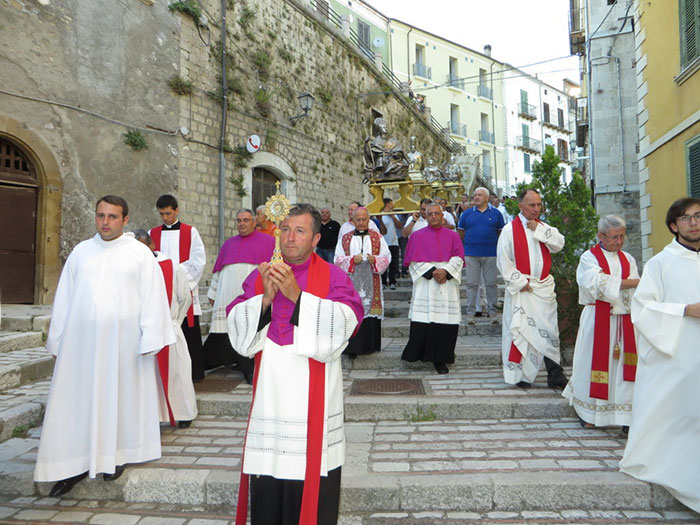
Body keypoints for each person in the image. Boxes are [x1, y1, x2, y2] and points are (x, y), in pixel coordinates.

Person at [226, 203, 363, 525]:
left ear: (316, 239)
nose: (290, 237)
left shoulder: (333, 276)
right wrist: (265, 299)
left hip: (310, 388)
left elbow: (348, 321)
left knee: (311, 474)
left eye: (299, 231)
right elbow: (236, 326)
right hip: (270, 391)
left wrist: (298, 295)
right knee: (269, 478)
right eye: (285, 230)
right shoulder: (260, 275)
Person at [34, 196, 175, 497]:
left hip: (123, 345)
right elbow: (65, 297)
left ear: (125, 220)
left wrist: (151, 337)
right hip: (81, 346)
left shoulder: (139, 253)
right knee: (77, 402)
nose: (105, 222)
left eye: (112, 216)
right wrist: (57, 337)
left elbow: (153, 296)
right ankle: (71, 464)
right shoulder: (81, 252)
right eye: (101, 216)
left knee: (119, 398)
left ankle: (115, 456)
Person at [619, 197, 700, 513]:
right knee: (681, 415)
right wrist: (684, 310)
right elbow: (642, 308)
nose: (694, 222)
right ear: (673, 226)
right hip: (677, 355)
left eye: (698, 216)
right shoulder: (660, 264)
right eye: (686, 218)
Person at [562, 216, 639, 429]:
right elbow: (596, 284)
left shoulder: (628, 259)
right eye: (614, 237)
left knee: (624, 367)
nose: (619, 241)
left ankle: (625, 416)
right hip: (597, 319)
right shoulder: (589, 258)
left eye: (622, 236)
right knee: (591, 363)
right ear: (601, 236)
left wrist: (622, 284)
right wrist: (629, 283)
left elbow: (632, 289)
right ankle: (590, 413)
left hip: (624, 321)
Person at [496, 188, 568, 389]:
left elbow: (558, 244)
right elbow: (504, 261)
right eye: (531, 205)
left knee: (549, 331)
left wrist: (539, 230)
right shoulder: (510, 230)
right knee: (522, 330)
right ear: (520, 206)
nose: (536, 209)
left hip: (544, 287)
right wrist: (520, 282)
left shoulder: (544, 228)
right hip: (524, 289)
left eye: (538, 205)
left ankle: (555, 374)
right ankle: (521, 375)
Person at [134, 229, 199, 429]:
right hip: (140, 331)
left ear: (152, 246)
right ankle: (149, 415)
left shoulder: (171, 267)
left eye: (144, 247)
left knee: (177, 372)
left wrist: (174, 322)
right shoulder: (132, 267)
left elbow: (185, 297)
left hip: (169, 328)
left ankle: (184, 412)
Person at [203, 209, 274, 384]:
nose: (242, 224)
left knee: (248, 327)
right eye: (239, 220)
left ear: (253, 222)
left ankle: (249, 369)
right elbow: (219, 271)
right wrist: (213, 292)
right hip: (227, 294)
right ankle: (231, 360)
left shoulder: (268, 241)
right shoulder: (228, 244)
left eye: (246, 220)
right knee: (228, 330)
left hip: (251, 295)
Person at [402, 203, 465, 374]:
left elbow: (459, 258)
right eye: (430, 214)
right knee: (424, 321)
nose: (434, 217)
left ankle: (441, 360)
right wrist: (433, 271)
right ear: (426, 216)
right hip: (426, 283)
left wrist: (445, 271)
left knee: (445, 322)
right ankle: (420, 355)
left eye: (437, 213)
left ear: (442, 215)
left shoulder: (453, 236)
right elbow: (412, 262)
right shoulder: (416, 236)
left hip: (447, 283)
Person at [150, 195, 206, 381]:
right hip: (161, 289)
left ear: (176, 210)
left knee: (188, 330)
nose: (165, 218)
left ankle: (193, 374)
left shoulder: (191, 232)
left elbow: (198, 261)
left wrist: (175, 276)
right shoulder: (152, 233)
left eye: (168, 213)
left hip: (184, 289)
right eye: (161, 214)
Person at [335, 206, 391, 358]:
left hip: (371, 282)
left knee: (370, 314)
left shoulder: (377, 237)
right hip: (352, 282)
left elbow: (387, 256)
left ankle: (370, 346)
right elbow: (337, 259)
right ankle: (352, 349)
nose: (360, 222)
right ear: (353, 220)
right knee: (353, 312)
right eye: (357, 220)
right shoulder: (345, 238)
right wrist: (352, 260)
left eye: (363, 219)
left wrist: (375, 260)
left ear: (368, 219)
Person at [458, 187, 505, 319]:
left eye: (479, 195)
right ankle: (471, 313)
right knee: (472, 284)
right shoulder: (466, 214)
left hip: (490, 254)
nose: (476, 197)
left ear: (487, 198)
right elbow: (461, 232)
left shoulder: (496, 214)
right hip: (471, 254)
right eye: (475, 195)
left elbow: (500, 232)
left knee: (491, 284)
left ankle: (492, 312)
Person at [380, 198, 402, 289]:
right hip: (383, 243)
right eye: (391, 203)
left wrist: (392, 216)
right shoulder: (380, 215)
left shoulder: (393, 215)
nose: (393, 205)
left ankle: (393, 281)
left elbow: (400, 226)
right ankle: (383, 282)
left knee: (394, 264)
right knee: (384, 264)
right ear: (388, 204)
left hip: (393, 242)